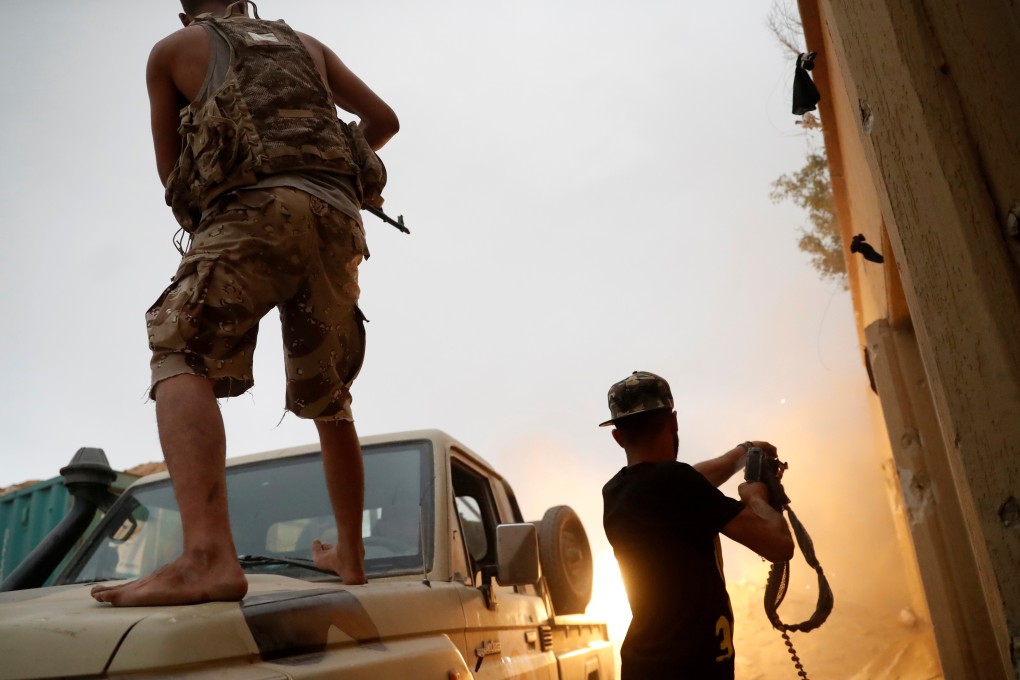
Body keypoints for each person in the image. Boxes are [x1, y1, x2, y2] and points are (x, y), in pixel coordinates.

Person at [91, 0, 398, 607]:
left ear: (185, 11)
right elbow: (383, 120)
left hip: (254, 208)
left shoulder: (173, 52)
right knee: (330, 394)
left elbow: (171, 175)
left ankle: (207, 556)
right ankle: (353, 560)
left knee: (180, 346)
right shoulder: (305, 43)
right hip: (338, 219)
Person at [601, 371, 794, 679]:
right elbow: (779, 544)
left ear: (618, 436)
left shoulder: (618, 493)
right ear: (674, 422)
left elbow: (686, 481)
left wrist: (740, 454)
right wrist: (755, 496)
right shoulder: (679, 486)